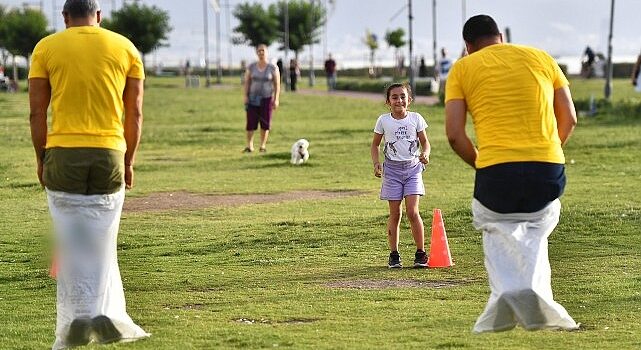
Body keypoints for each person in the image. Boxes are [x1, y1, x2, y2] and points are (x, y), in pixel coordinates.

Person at [444, 14, 578, 333]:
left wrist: (480, 162)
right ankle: (533, 295)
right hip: (547, 170)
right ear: (500, 36)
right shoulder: (541, 58)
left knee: (496, 224)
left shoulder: (462, 68)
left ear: (468, 45)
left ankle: (508, 293)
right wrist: (549, 151)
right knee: (535, 226)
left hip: (495, 172)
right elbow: (569, 118)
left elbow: (454, 134)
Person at [28, 0, 149, 348]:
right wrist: (128, 161)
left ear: (65, 18)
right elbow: (135, 114)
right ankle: (103, 312)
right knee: (101, 239)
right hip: (110, 154)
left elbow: (37, 113)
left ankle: (77, 320)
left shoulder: (46, 48)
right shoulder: (126, 48)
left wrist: (41, 158)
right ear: (98, 16)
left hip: (63, 155)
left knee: (70, 240)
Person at [371, 83, 431, 268]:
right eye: (395, 97)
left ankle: (420, 253)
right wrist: (376, 164)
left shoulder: (416, 118)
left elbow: (425, 143)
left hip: (413, 169)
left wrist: (426, 154)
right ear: (388, 101)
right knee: (395, 213)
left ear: (409, 100)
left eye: (403, 96)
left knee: (413, 212)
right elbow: (375, 145)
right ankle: (394, 254)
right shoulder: (383, 120)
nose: (399, 100)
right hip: (392, 171)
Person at [243, 44, 280, 153]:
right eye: (259, 51)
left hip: (267, 98)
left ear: (266, 52)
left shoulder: (272, 67)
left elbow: (277, 84)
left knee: (265, 122)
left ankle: (262, 145)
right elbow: (247, 82)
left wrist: (276, 99)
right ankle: (249, 146)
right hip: (253, 98)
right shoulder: (251, 67)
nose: (261, 53)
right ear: (256, 53)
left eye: (263, 51)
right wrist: (245, 95)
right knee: (251, 122)